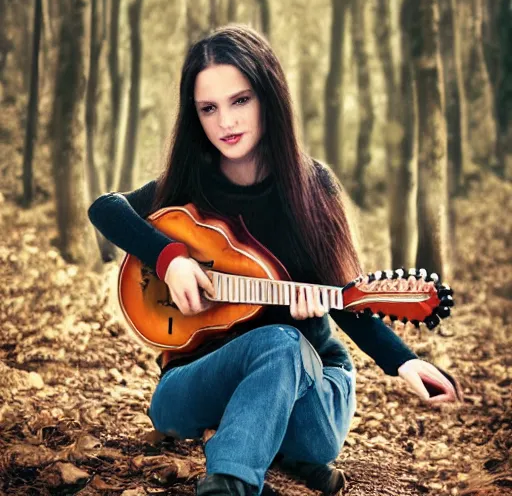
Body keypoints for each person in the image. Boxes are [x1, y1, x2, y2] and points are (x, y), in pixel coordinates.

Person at [88, 24, 459, 496]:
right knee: (274, 346)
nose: (226, 122)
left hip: (312, 399)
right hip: (194, 386)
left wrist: (403, 362)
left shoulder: (312, 187)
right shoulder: (190, 182)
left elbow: (349, 297)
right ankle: (245, 466)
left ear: (269, 97)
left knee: (287, 345)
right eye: (209, 109)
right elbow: (106, 209)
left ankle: (233, 462)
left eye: (240, 101)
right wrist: (169, 259)